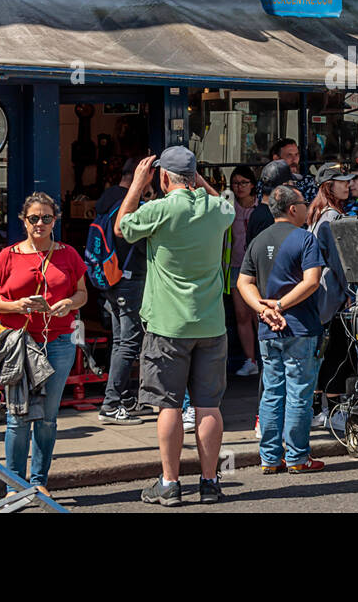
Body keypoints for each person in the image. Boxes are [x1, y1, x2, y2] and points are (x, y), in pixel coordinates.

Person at [117, 147, 235, 507]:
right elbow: (225, 205)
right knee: (209, 406)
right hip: (210, 323)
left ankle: (170, 483)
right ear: (194, 176)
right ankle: (210, 482)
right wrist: (200, 181)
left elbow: (122, 227)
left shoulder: (159, 209)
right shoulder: (217, 209)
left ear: (163, 177)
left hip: (168, 326)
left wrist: (136, 184)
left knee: (168, 405)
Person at [0, 192, 88, 494]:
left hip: (58, 342)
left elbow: (82, 293)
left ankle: (38, 481)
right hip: (19, 345)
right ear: (24, 221)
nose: (39, 223)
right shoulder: (8, 255)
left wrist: (69, 303)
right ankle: (14, 485)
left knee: (47, 418)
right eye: (33, 218)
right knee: (17, 417)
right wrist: (17, 306)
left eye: (46, 217)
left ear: (55, 220)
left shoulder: (69, 254)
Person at [237, 184, 327, 474]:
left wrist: (264, 309)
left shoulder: (258, 240)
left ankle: (270, 458)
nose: (307, 207)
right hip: (300, 327)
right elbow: (312, 281)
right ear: (292, 209)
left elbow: (243, 282)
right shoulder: (305, 238)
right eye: (303, 203)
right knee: (299, 393)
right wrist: (279, 305)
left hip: (269, 329)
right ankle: (298, 456)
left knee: (272, 393)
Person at [94, 159, 152, 425]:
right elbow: (139, 243)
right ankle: (111, 404)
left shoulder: (108, 199)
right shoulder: (130, 204)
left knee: (120, 342)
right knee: (129, 343)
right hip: (130, 279)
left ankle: (124, 397)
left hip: (112, 279)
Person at [307, 163, 357, 427]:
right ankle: (334, 412)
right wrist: (351, 292)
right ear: (329, 186)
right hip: (333, 297)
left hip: (323, 297)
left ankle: (318, 409)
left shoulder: (319, 214)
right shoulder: (331, 218)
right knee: (338, 353)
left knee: (325, 353)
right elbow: (340, 262)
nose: (347, 185)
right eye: (342, 181)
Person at [227, 164, 261, 377]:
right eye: (235, 183)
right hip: (235, 265)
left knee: (259, 313)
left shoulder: (260, 207)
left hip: (257, 267)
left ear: (252, 185)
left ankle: (264, 357)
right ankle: (250, 360)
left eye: (243, 183)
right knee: (241, 315)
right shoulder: (228, 207)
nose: (239, 187)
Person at [270, 137, 317, 204]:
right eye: (289, 155)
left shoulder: (308, 182)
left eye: (296, 155)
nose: (294, 159)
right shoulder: (268, 183)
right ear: (276, 158)